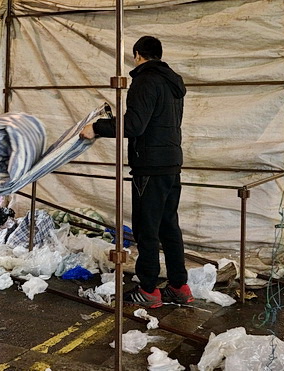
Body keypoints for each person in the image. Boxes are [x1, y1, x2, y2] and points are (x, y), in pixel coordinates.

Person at [80, 36, 193, 309]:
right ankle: (179, 286)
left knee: (147, 229)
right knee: (168, 226)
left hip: (150, 167)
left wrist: (98, 127)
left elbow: (134, 125)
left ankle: (148, 289)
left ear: (138, 55)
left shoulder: (145, 80)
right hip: (171, 163)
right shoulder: (173, 82)